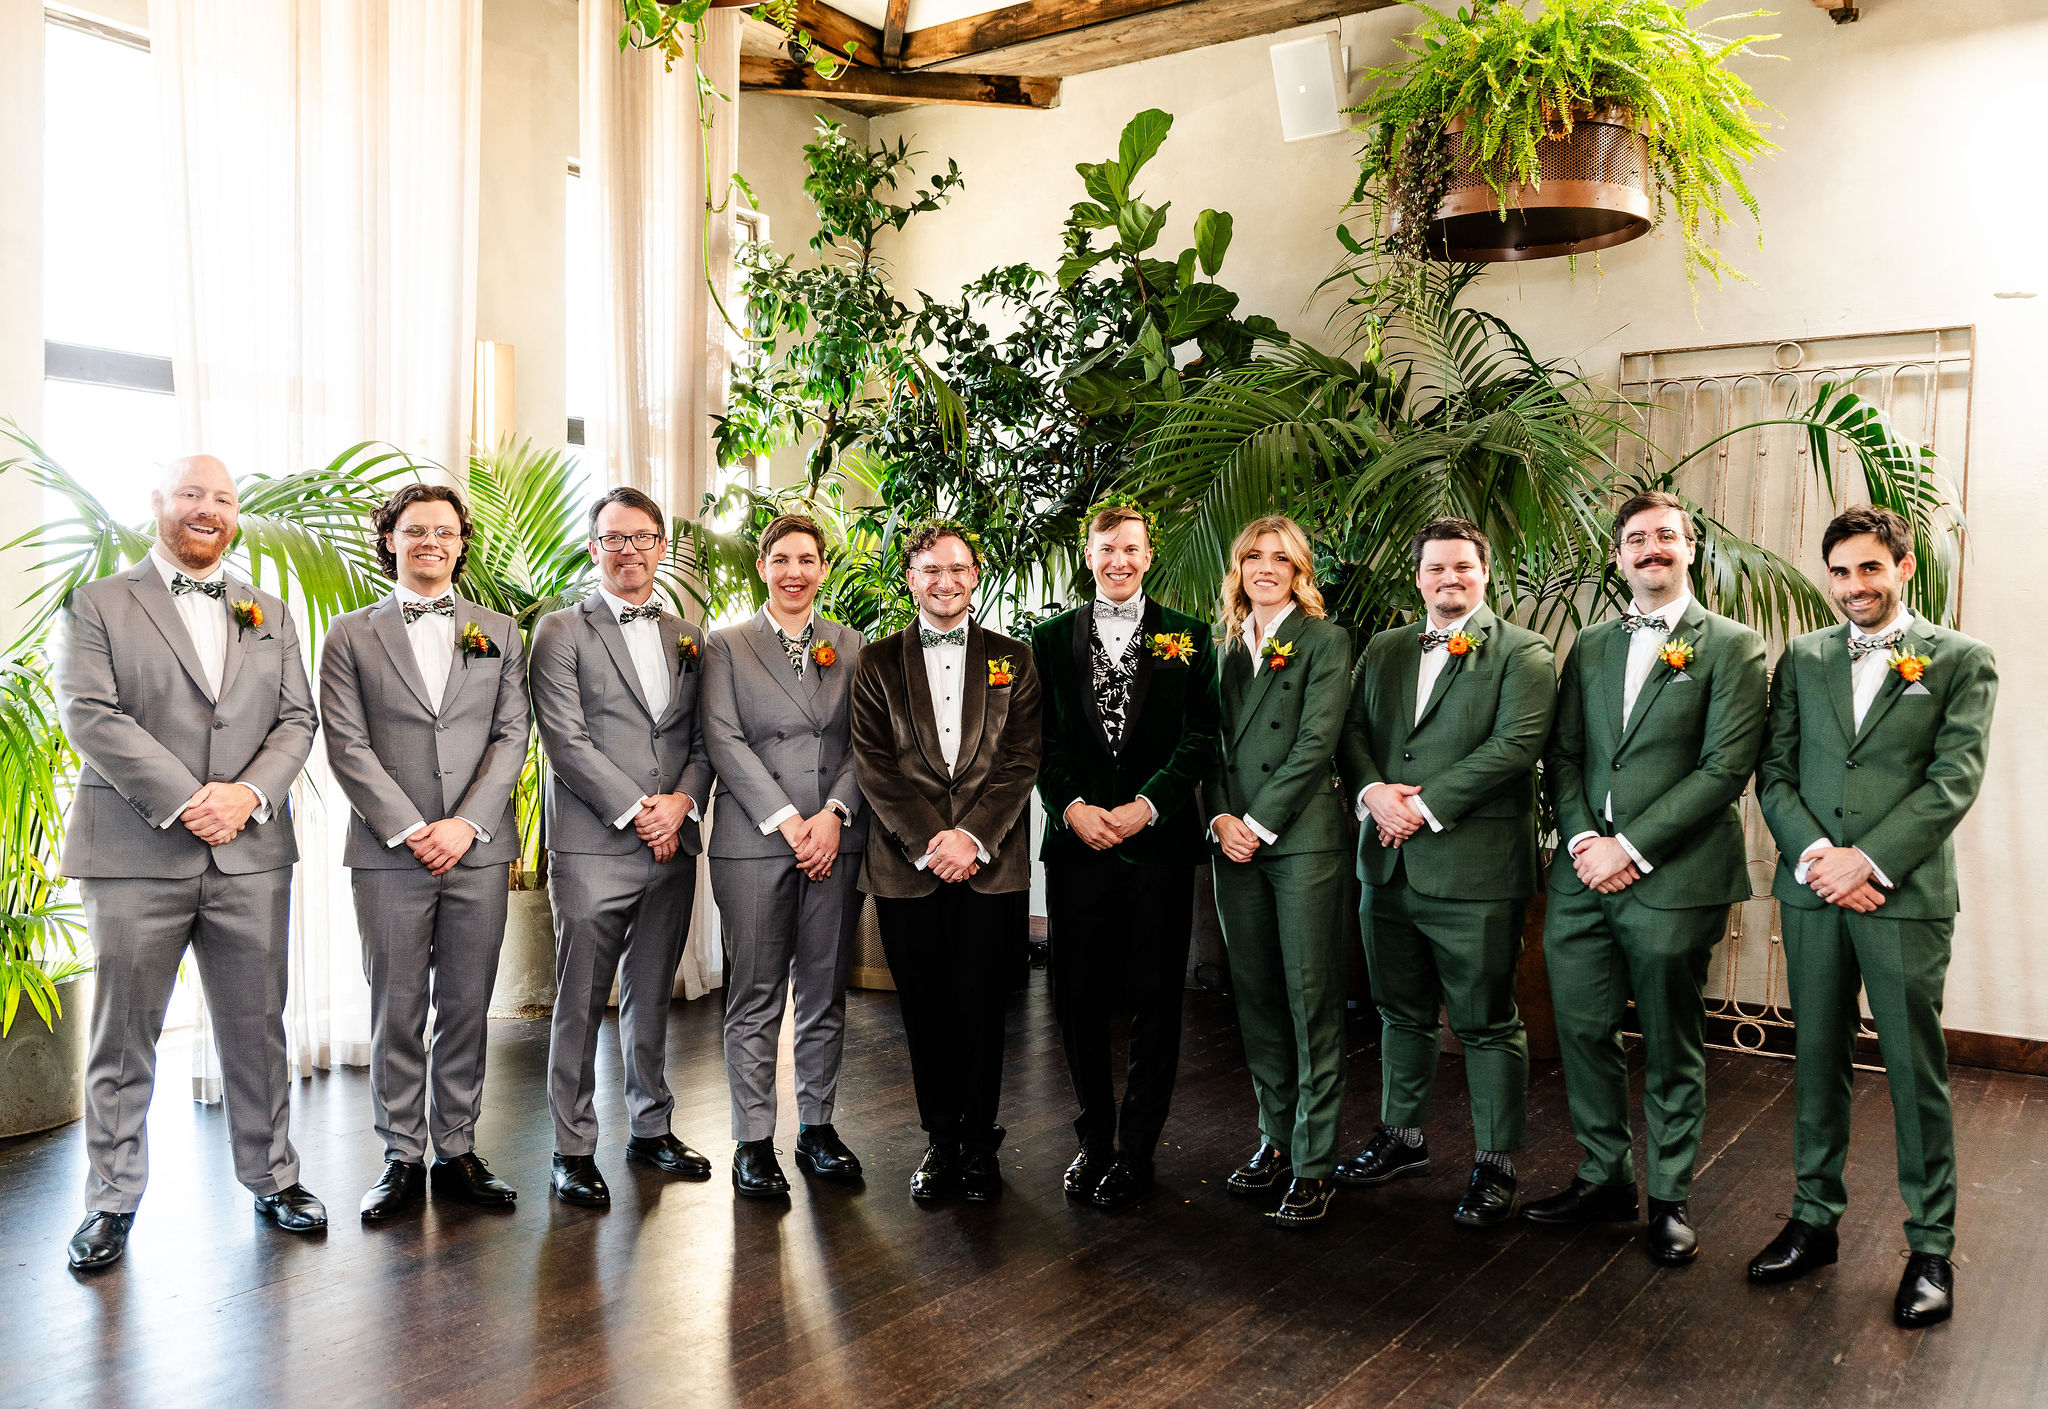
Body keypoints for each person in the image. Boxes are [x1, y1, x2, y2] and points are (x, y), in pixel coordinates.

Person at [54, 454, 322, 1270]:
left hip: (251, 851)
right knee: (123, 1033)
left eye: (224, 498)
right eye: (192, 494)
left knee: (257, 1025)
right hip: (134, 852)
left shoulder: (269, 609)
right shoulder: (99, 602)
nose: (209, 509)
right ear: (157, 503)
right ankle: (111, 1199)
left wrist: (245, 795)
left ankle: (274, 1176)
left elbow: (297, 719)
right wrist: (189, 798)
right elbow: (90, 712)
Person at [1749, 504, 1996, 1329]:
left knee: (1913, 1069)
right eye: (1840, 571)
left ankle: (1931, 1246)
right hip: (1815, 889)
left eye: (1869, 568)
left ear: (1903, 567)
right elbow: (1775, 771)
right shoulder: (1803, 656)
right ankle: (1813, 1220)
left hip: (1903, 895)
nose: (1853, 585)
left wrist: (1870, 861)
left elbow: (1953, 781)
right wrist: (1820, 858)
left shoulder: (1961, 659)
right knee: (1816, 1055)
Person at [1524, 491, 1766, 1264]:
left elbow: (1725, 768)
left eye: (1666, 535)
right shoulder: (1591, 644)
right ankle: (1604, 1175)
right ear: (1619, 555)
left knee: (1670, 1039)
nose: (1651, 547)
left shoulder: (1733, 646)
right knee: (1582, 1029)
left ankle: (1668, 1196)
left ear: (1690, 548)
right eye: (1636, 538)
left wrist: (1627, 847)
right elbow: (1563, 752)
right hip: (1580, 874)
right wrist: (1580, 837)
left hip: (1674, 876)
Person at [1335, 517, 1555, 1228]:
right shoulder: (1385, 647)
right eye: (1435, 568)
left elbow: (1515, 745)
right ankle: (1401, 1137)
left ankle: (1495, 1163)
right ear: (1418, 576)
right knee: (1399, 1011)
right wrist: (1373, 793)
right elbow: (1351, 731)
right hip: (1386, 866)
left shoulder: (1524, 651)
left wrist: (1420, 809)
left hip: (1476, 871)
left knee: (1486, 1020)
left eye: (1462, 566)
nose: (1448, 579)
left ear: (1484, 572)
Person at [319, 484, 529, 1221]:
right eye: (415, 530)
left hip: (477, 849)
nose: (431, 541)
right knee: (397, 1005)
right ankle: (401, 1154)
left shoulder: (501, 631)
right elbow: (346, 744)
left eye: (444, 530)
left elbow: (512, 735)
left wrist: (465, 824)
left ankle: (458, 1147)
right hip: (389, 853)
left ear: (462, 542)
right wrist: (412, 828)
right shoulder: (349, 634)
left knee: (468, 1003)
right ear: (391, 539)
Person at [528, 486, 716, 1207]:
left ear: (661, 546)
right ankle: (572, 1147)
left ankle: (651, 1127)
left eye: (641, 537)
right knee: (580, 1000)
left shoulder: (689, 635)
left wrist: (681, 804)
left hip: (673, 843)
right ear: (594, 548)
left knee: (652, 992)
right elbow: (565, 740)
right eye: (614, 538)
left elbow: (702, 738)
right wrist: (641, 812)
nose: (628, 550)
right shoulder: (559, 631)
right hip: (593, 845)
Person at [1031, 502, 1219, 1211]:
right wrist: (1072, 807)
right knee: (1076, 998)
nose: (1120, 560)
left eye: (1132, 548)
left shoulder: (1187, 635)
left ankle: (1137, 1150)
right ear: (1089, 555)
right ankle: (1094, 1140)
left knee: (1155, 1000)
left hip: (1157, 848)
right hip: (1077, 847)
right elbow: (1038, 740)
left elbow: (1201, 735)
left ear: (1149, 555)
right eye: (1107, 548)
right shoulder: (1049, 639)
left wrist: (1149, 805)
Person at [849, 519, 1042, 1204]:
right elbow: (874, 765)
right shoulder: (876, 662)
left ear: (975, 575)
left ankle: (981, 1143)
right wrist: (933, 842)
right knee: (924, 1011)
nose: (946, 581)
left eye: (958, 568)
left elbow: (1021, 759)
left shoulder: (1014, 658)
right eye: (931, 569)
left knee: (985, 1009)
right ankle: (940, 1141)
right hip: (908, 866)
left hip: (992, 864)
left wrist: (973, 839)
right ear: (911, 579)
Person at [701, 513, 869, 1199]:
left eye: (806, 560)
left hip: (835, 840)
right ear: (763, 567)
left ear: (823, 569)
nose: (794, 572)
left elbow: (866, 742)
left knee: (824, 991)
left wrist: (832, 815)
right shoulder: (724, 645)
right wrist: (790, 822)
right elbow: (722, 738)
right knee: (755, 994)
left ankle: (818, 1129)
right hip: (754, 841)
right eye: (781, 559)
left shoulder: (852, 644)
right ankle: (752, 1140)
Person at [1205, 515, 1352, 1229]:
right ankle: (1275, 1138)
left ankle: (1314, 1162)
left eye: (1281, 558)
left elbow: (1317, 742)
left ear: (1299, 571)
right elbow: (1206, 743)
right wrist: (1219, 818)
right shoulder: (1223, 646)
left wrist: (1255, 822)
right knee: (1257, 996)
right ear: (1238, 568)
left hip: (1300, 843)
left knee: (1309, 997)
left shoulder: (1325, 640)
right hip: (1231, 843)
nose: (1266, 567)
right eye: (1253, 556)